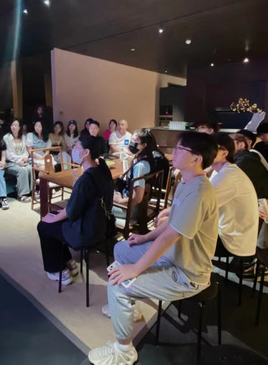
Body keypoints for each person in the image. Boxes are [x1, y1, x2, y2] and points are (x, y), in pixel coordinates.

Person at [88, 132, 219, 365]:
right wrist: (144, 237)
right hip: (173, 256)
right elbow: (172, 223)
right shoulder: (186, 182)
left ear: (196, 158)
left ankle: (124, 351)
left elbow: (171, 236)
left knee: (117, 285)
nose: (173, 152)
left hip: (187, 273)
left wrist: (136, 269)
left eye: (180, 149)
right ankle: (130, 309)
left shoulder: (199, 192)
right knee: (122, 248)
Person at [36, 134, 114, 285]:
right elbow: (77, 207)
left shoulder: (85, 180)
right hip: (102, 226)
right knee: (55, 217)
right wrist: (57, 215)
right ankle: (68, 262)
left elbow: (71, 211)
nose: (74, 150)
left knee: (44, 226)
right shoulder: (103, 170)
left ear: (86, 152)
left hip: (86, 232)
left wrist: (52, 219)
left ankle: (58, 271)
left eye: (77, 147)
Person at [210, 133, 258, 259]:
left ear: (224, 153)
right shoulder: (221, 171)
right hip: (226, 232)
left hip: (231, 241)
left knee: (182, 232)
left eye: (209, 148)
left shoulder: (229, 176)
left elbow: (200, 206)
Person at [112, 129, 157, 226]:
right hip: (136, 205)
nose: (132, 143)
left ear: (144, 145)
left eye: (135, 141)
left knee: (96, 204)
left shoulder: (140, 166)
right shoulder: (148, 159)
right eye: (131, 139)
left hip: (130, 209)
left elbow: (137, 198)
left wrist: (119, 200)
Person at [231, 133, 268, 199]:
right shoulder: (247, 157)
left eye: (230, 144)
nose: (227, 147)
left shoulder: (246, 160)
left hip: (259, 201)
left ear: (242, 145)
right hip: (259, 199)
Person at [3, 119, 32, 202]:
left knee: (30, 168)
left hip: (22, 161)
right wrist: (19, 161)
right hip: (10, 162)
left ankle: (31, 191)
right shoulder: (6, 138)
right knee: (22, 170)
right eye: (12, 125)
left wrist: (25, 158)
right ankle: (22, 195)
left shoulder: (23, 137)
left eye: (15, 125)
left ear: (19, 127)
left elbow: (25, 151)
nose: (13, 127)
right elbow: (8, 154)